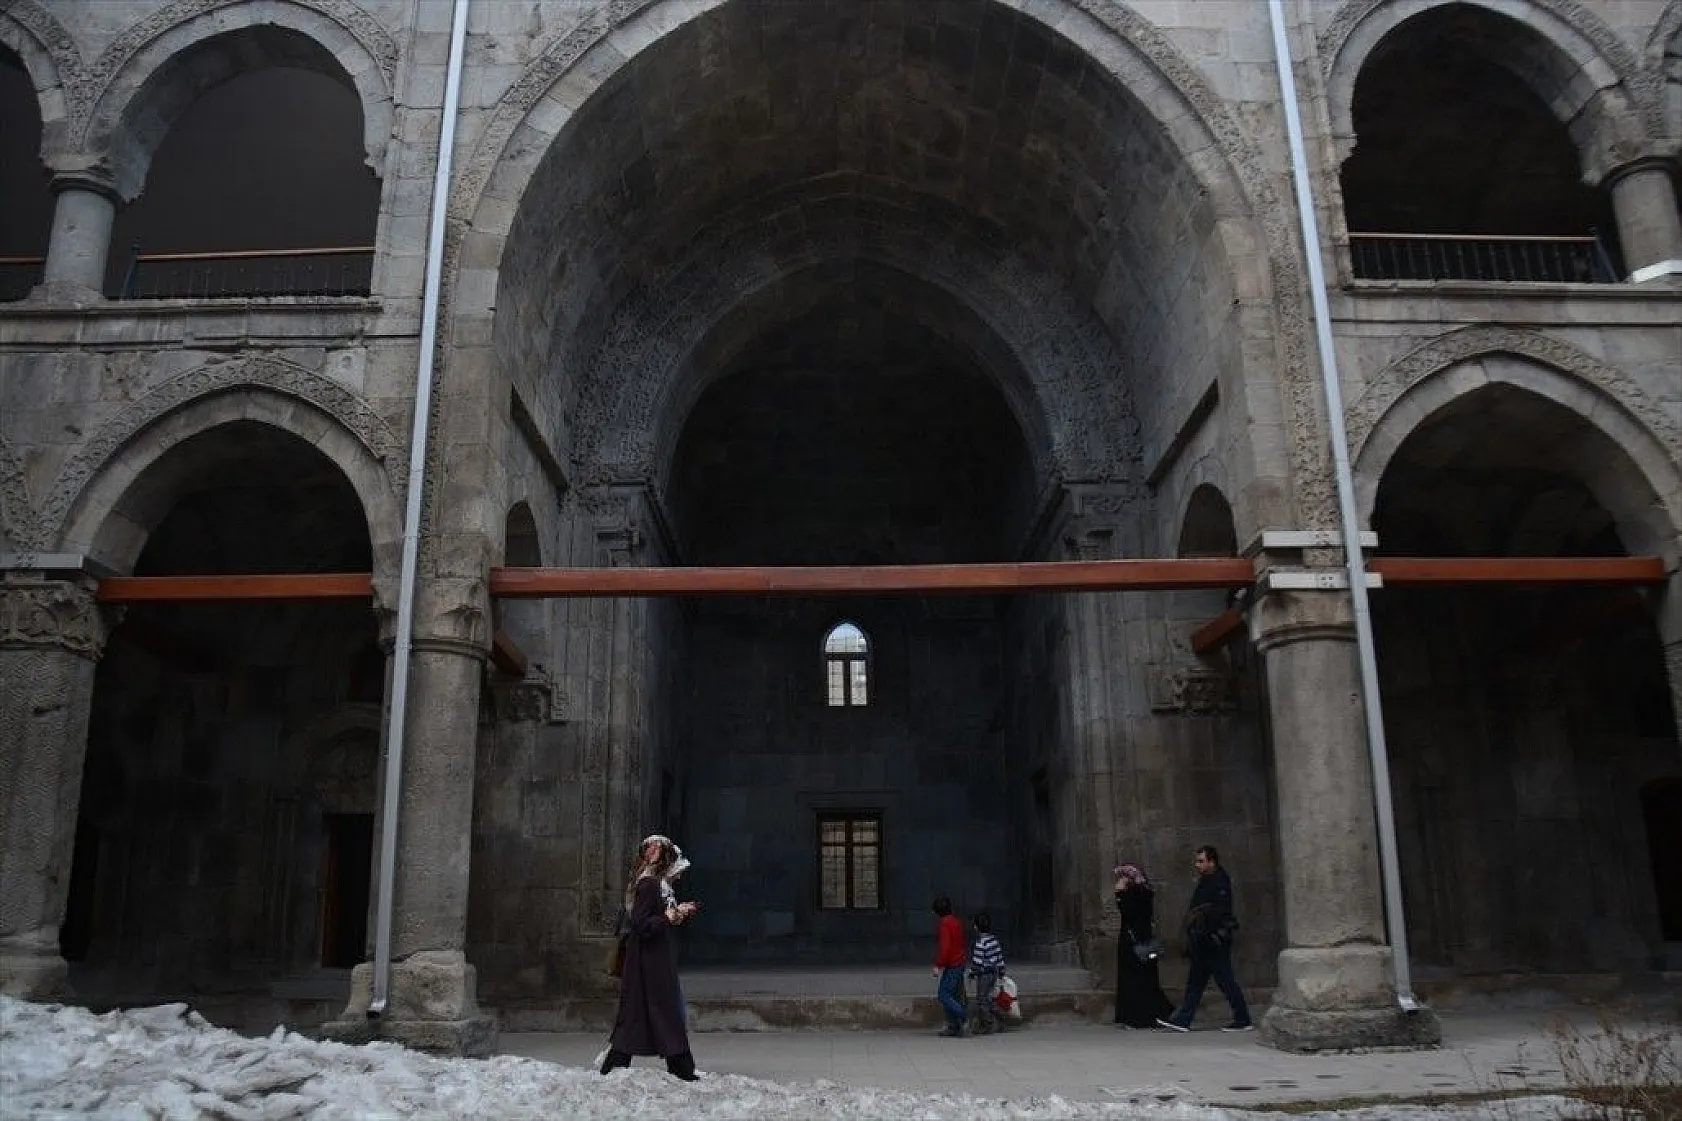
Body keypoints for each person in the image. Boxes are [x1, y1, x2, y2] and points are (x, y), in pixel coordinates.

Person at [600, 834, 702, 1079]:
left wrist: (678, 913)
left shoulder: (654, 884)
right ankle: (679, 1066)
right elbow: (642, 924)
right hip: (649, 960)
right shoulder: (649, 884)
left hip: (653, 957)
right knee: (657, 1009)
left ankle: (623, 1062)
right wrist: (669, 916)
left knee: (646, 1011)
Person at [1157, 844, 1252, 1033]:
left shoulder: (1219, 882)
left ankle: (1243, 1019)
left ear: (1212, 861)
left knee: (1225, 981)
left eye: (1201, 861)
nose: (1197, 865)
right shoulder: (1207, 880)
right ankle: (1184, 1020)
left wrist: (1206, 931)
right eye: (1197, 861)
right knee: (1195, 982)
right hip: (1203, 942)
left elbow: (1217, 912)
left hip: (1214, 942)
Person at [1112, 862, 1174, 1028]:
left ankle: (1138, 1017)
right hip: (1141, 941)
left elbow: (1129, 913)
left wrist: (1119, 894)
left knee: (1135, 981)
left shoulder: (1135, 893)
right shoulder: (1144, 891)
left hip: (1134, 942)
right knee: (1145, 979)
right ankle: (1154, 1013)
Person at [930, 895, 968, 1037]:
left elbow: (945, 947)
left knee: (944, 995)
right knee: (955, 995)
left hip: (952, 964)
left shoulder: (944, 925)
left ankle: (963, 1017)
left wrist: (938, 965)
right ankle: (954, 1025)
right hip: (959, 961)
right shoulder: (956, 922)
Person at [966, 912, 1007, 1035]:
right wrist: (1001, 970)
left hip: (983, 975)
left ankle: (988, 1023)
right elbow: (999, 956)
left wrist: (972, 972)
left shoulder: (980, 943)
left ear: (976, 927)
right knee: (988, 998)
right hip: (993, 973)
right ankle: (999, 1015)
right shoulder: (994, 940)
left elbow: (977, 961)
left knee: (982, 999)